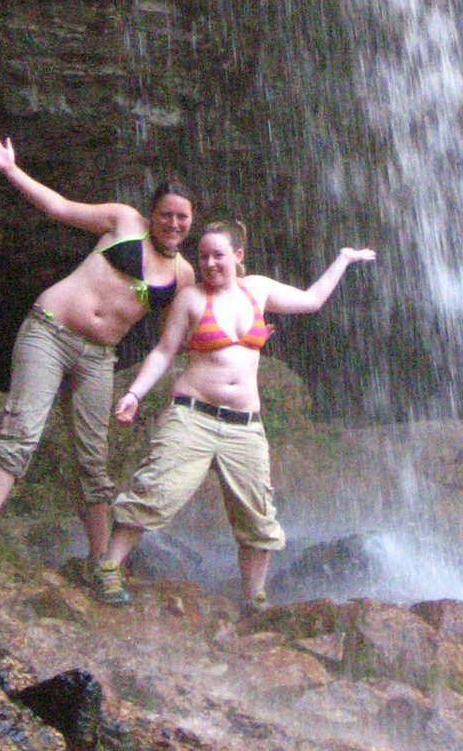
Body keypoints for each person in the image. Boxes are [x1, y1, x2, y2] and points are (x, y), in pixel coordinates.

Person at [94, 219, 375, 610]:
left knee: (257, 516)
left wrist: (343, 259)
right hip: (193, 416)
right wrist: (135, 393)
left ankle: (254, 599)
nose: (209, 263)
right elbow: (163, 351)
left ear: (238, 256)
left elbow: (312, 301)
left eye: (218, 255)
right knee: (154, 492)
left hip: (244, 425)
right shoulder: (190, 299)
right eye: (204, 256)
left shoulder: (257, 290)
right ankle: (108, 568)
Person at [0, 129, 195, 573]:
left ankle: (101, 564)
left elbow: (172, 341)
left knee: (94, 460)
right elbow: (58, 207)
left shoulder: (183, 275)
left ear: (191, 220)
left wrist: (246, 332)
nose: (173, 224)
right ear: (153, 213)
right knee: (23, 432)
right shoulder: (124, 222)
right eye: (166, 215)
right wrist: (11, 170)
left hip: (98, 358)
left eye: (182, 218)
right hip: (49, 332)